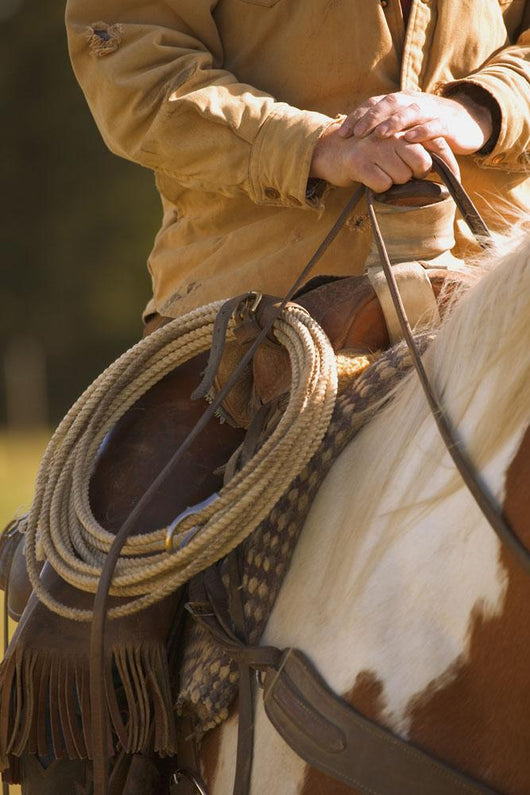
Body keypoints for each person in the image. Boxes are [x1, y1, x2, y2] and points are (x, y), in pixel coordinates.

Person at [64, 0, 530, 331]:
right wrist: (315, 147)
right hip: (249, 303)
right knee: (158, 447)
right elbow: (132, 64)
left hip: (503, 282)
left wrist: (482, 108)